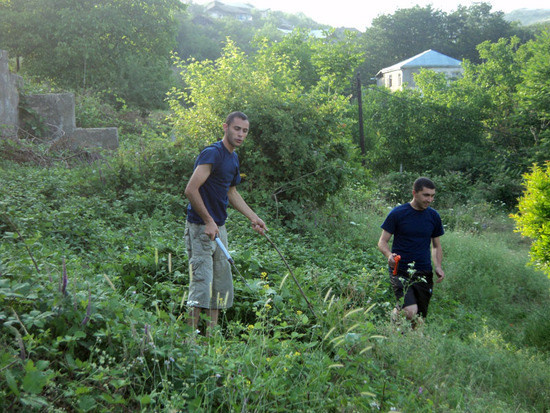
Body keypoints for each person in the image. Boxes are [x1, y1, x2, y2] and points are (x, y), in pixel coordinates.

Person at [184, 111, 266, 333]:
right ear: (226, 127)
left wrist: (253, 217)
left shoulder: (233, 158)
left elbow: (231, 192)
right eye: (237, 129)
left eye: (245, 131)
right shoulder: (213, 153)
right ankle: (189, 341)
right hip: (201, 228)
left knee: (220, 284)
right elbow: (191, 190)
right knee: (201, 284)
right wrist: (208, 221)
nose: (240, 134)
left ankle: (212, 338)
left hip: (219, 229)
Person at [377, 177, 445, 326]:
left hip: (424, 271)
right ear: (414, 193)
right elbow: (382, 241)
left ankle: (405, 339)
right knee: (410, 311)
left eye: (432, 196)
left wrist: (438, 266)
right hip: (400, 270)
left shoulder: (433, 216)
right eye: (426, 195)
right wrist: (389, 256)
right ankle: (394, 322)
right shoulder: (398, 213)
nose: (430, 199)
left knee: (419, 319)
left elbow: (436, 245)